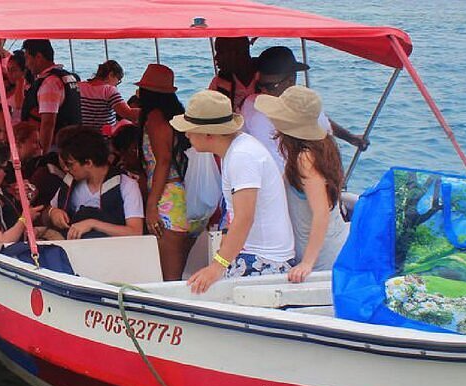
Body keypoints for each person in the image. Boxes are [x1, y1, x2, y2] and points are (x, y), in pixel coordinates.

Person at [171, 90, 295, 294]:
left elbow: (244, 218)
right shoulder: (238, 149)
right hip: (254, 254)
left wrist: (217, 266)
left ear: (208, 133)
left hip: (264, 261)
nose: (186, 135)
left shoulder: (242, 156)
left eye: (190, 129)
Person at [255, 86, 349, 282]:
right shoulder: (320, 145)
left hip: (323, 256)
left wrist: (307, 263)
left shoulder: (305, 159)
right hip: (325, 244)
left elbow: (321, 212)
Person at [242, 46, 368, 173]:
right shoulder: (255, 110)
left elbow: (318, 120)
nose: (263, 91)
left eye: (269, 86)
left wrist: (350, 138)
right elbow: (274, 163)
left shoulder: (302, 102)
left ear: (290, 80)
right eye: (260, 85)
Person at [135, 64, 191, 280]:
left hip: (166, 199)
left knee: (169, 278)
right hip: (179, 195)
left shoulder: (155, 118)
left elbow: (163, 160)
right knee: (175, 273)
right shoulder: (173, 116)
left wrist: (151, 205)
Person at [46, 126, 143, 239]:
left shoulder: (126, 185)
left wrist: (92, 224)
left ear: (88, 163)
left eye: (70, 164)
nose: (66, 169)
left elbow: (135, 231)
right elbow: (47, 211)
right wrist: (52, 212)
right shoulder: (70, 183)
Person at [21, 39, 82, 152]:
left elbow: (48, 123)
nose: (26, 64)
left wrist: (42, 155)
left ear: (38, 57)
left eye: (27, 58)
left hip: (54, 148)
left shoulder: (50, 83)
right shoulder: (67, 77)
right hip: (72, 144)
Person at [79, 60, 139, 132]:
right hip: (102, 138)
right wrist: (149, 110)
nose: (116, 85)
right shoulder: (108, 90)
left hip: (81, 134)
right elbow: (128, 113)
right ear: (111, 74)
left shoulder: (79, 86)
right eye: (118, 80)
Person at [208, 36, 257, 113]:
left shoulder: (266, 77)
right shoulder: (218, 83)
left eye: (220, 52)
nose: (216, 58)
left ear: (239, 54)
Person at [6, 50, 32, 125]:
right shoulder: (9, 87)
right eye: (8, 69)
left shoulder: (28, 89)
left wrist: (20, 81)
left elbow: (19, 106)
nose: (9, 74)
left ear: (24, 71)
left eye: (13, 70)